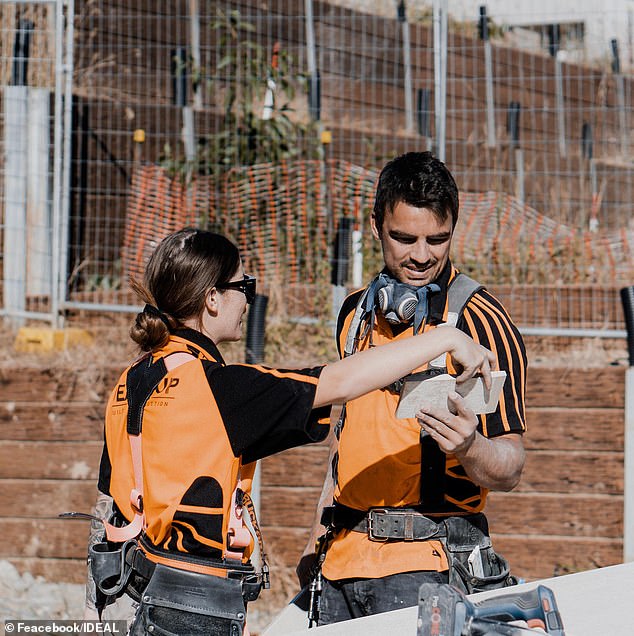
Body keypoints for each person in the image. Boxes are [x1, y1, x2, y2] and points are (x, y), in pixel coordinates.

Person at [85, 227, 495, 635]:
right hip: (197, 606)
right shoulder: (218, 387)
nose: (248, 298)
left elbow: (109, 506)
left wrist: (94, 612)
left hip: (141, 592)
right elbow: (340, 382)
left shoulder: (130, 382)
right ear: (212, 298)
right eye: (242, 285)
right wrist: (445, 338)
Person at [298, 151, 527, 625]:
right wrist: (314, 540)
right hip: (338, 564)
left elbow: (510, 466)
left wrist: (469, 446)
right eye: (404, 238)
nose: (421, 256)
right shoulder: (354, 313)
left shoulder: (482, 320)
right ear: (376, 226)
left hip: (425, 569)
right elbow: (348, 437)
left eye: (437, 239)